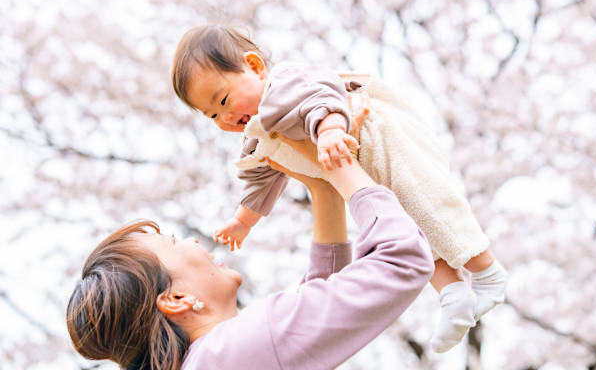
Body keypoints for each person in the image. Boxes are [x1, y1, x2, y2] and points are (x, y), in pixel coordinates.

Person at [170, 24, 508, 352]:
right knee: (408, 223)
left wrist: (330, 130)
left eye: (224, 100)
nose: (225, 119)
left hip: (384, 143)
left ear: (255, 67)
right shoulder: (257, 135)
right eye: (212, 115)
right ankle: (452, 293)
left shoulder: (285, 84)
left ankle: (487, 272)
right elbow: (260, 178)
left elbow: (325, 95)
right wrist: (244, 221)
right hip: (357, 168)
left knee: (429, 205)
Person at [66, 131, 435, 370]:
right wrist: (341, 167)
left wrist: (322, 191)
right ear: (176, 298)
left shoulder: (216, 359)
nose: (194, 242)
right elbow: (402, 260)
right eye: (175, 243)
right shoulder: (232, 352)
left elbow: (318, 314)